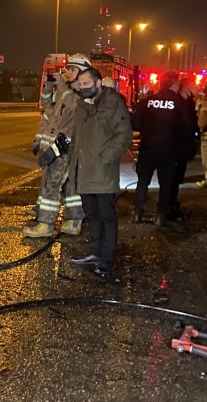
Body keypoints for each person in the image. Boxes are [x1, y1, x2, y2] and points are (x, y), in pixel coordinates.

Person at [67, 67, 133, 276]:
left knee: (106, 217)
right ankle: (95, 252)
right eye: (80, 84)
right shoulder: (82, 106)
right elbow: (77, 136)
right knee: (92, 216)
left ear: (98, 84)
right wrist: (73, 163)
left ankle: (106, 257)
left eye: (87, 84)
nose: (82, 88)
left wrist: (104, 159)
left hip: (102, 173)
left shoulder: (113, 104)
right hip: (84, 172)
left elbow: (123, 136)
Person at [24, 54, 91, 238]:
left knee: (51, 184)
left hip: (65, 147)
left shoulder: (82, 91)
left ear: (83, 72)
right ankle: (74, 220)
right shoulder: (68, 90)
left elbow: (74, 107)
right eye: (67, 69)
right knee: (70, 187)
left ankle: (45, 225)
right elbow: (49, 109)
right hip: (63, 147)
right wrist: (50, 85)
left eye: (72, 69)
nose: (68, 73)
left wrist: (62, 85)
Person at [130, 71, 194, 226]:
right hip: (169, 151)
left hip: (148, 149)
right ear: (175, 84)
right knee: (166, 184)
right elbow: (187, 128)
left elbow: (136, 125)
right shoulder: (179, 103)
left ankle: (138, 212)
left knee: (142, 182)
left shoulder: (146, 102)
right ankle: (161, 216)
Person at [168, 78, 200, 221]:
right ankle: (170, 208)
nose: (198, 90)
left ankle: (170, 205)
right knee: (174, 179)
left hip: (178, 146)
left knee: (174, 178)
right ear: (187, 89)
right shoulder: (182, 104)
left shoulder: (183, 102)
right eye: (195, 87)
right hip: (179, 147)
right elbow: (188, 125)